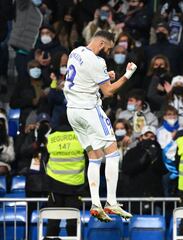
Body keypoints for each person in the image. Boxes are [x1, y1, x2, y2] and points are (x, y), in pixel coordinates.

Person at [63, 30, 137, 222]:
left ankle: (96, 204)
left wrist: (105, 75)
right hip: (89, 110)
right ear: (103, 44)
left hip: (72, 111)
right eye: (109, 49)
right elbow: (109, 91)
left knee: (94, 156)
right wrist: (127, 74)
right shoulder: (98, 61)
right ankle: (111, 202)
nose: (108, 53)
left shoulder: (76, 52)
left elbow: (84, 78)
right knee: (113, 152)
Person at [45, 115, 86, 237]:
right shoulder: (81, 137)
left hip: (54, 186)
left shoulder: (51, 137)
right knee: (73, 224)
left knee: (53, 223)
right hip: (75, 187)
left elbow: (44, 160)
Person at [0, 110, 15, 175]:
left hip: (3, 164)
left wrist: (1, 155)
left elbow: (11, 157)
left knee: (2, 169)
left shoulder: (9, 138)